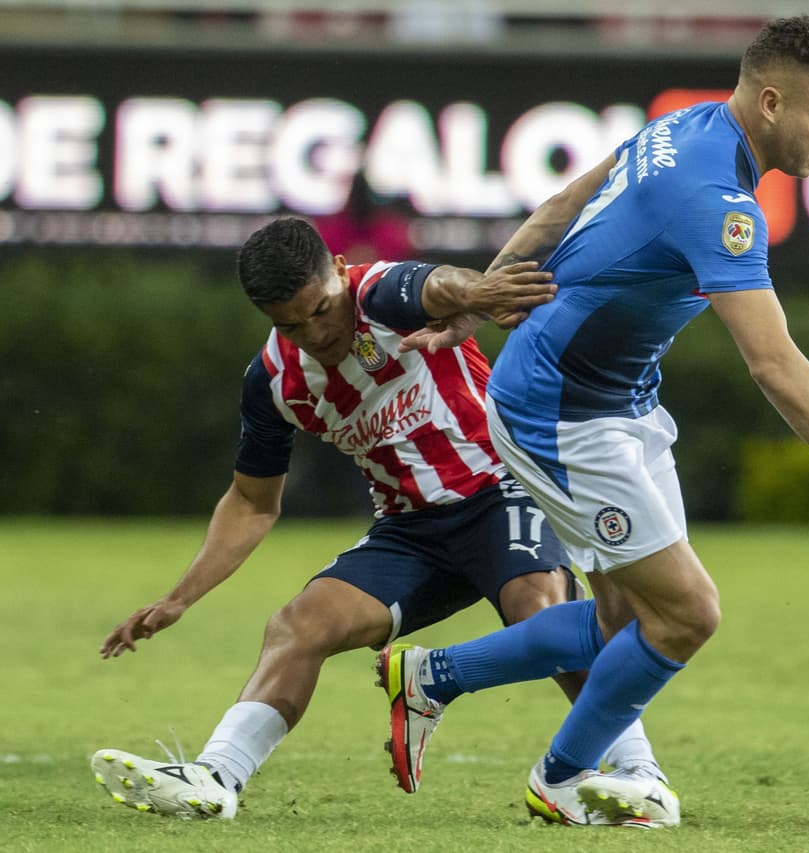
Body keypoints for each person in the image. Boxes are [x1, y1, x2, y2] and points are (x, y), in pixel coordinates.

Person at [382, 15, 809, 828]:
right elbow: (773, 362)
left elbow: (560, 204)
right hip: (559, 411)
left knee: (627, 620)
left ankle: (434, 675)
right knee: (689, 612)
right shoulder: (716, 200)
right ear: (770, 102)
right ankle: (562, 778)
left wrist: (485, 294)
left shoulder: (688, 125)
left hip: (619, 402)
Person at [89, 217, 671, 822]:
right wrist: (181, 598)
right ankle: (216, 778)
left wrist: (474, 294)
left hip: (503, 489)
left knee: (540, 608)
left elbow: (440, 286)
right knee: (297, 626)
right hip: (410, 532)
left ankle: (637, 772)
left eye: (321, 309)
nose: (314, 333)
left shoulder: (380, 294)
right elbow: (252, 502)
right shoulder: (274, 381)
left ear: (341, 271)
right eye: (290, 323)